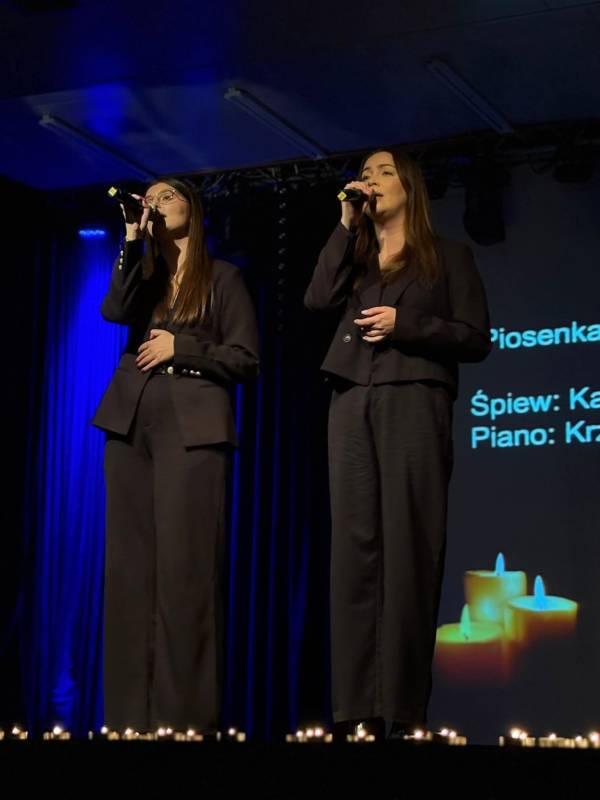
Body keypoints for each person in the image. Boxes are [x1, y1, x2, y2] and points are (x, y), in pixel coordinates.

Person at [304, 149, 491, 739]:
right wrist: (345, 224)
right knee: (353, 551)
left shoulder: (448, 256)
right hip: (350, 398)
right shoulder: (354, 256)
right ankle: (355, 710)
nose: (372, 181)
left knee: (410, 547)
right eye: (366, 174)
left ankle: (403, 710)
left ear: (410, 187)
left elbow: (476, 338)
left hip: (414, 396)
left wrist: (404, 325)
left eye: (385, 173)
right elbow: (317, 299)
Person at [93, 177, 259, 734]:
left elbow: (246, 358)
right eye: (152, 199)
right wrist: (131, 237)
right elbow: (114, 310)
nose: (156, 204)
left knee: (186, 575)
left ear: (194, 209)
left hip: (193, 428)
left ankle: (183, 722)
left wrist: (180, 347)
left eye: (168, 197)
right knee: (129, 576)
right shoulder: (144, 274)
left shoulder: (224, 278)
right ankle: (127, 721)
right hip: (130, 423)